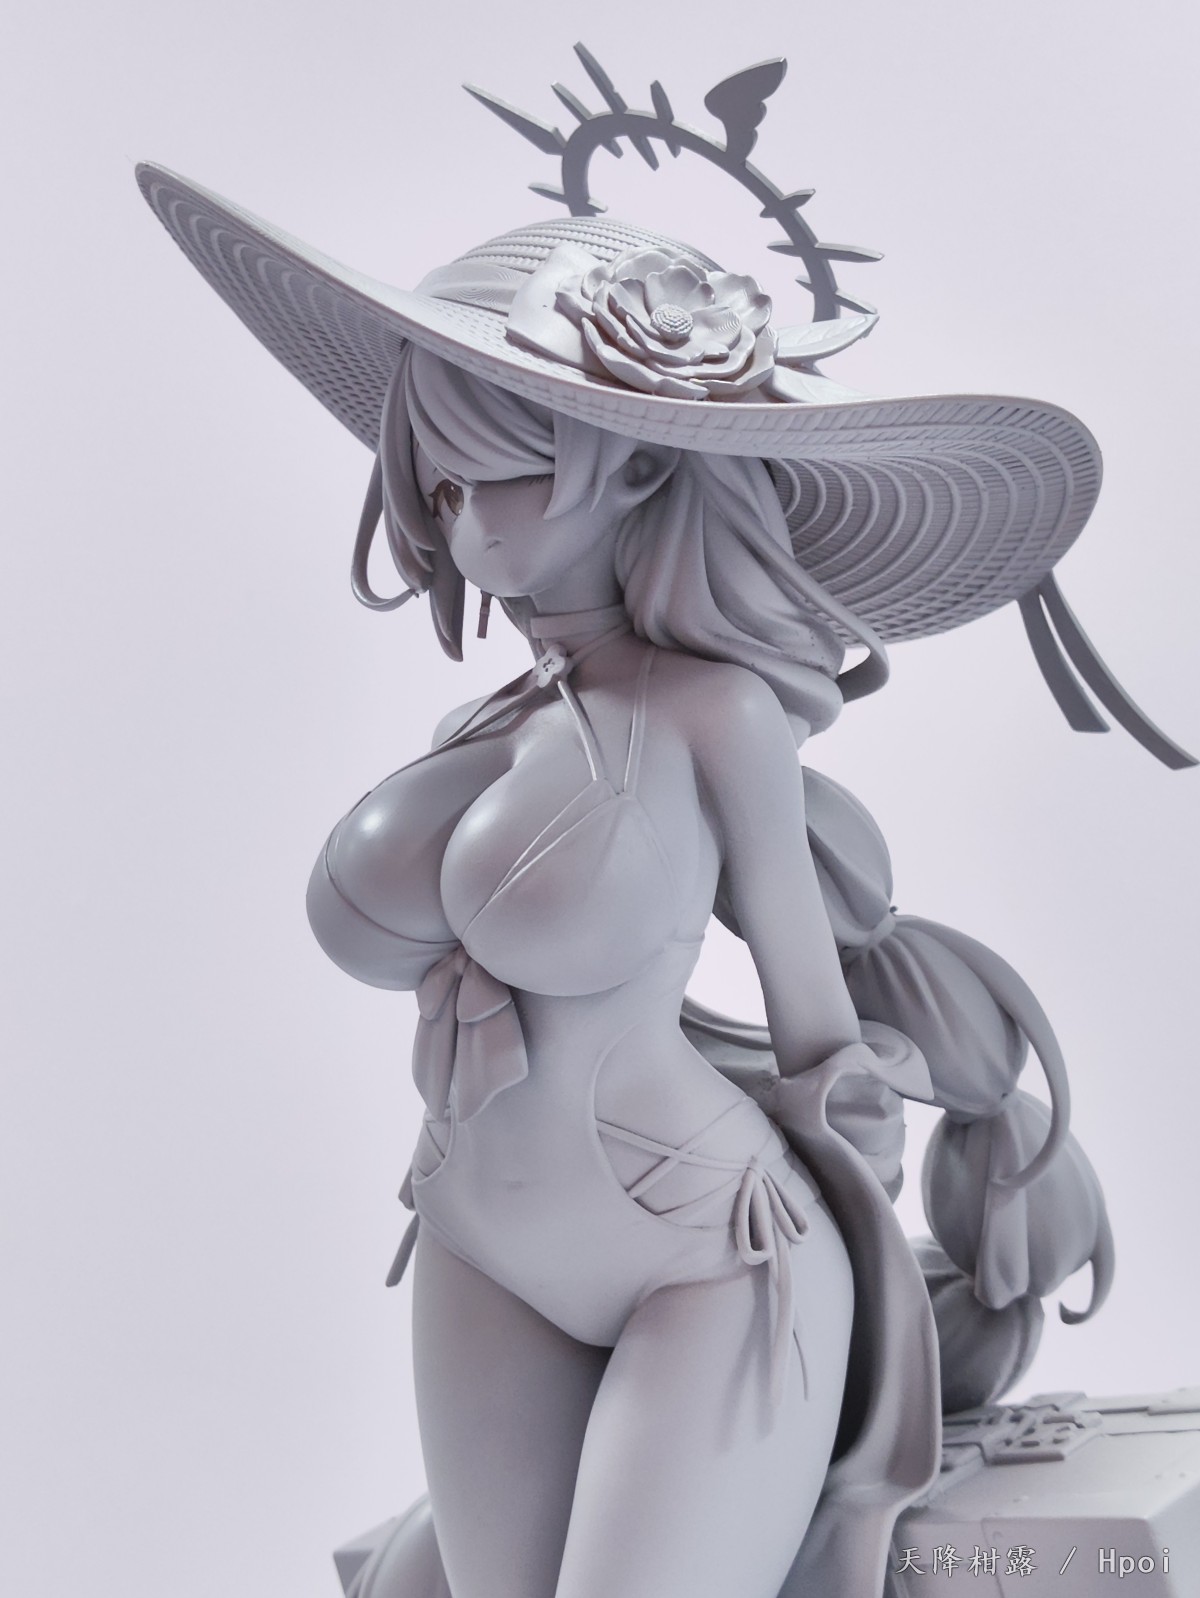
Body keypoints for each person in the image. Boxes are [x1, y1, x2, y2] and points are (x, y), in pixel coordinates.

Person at [137, 175, 1149, 1598]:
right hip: (476, 1238)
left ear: (632, 468)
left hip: (705, 1254)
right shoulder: (486, 727)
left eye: (499, 470)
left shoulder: (716, 716)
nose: (462, 522)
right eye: (439, 481)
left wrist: (885, 1212)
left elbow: (813, 1023)